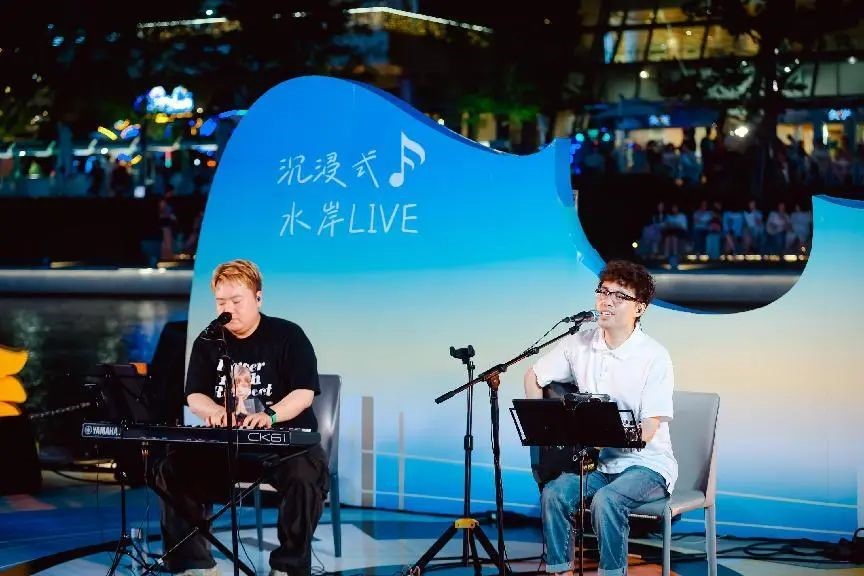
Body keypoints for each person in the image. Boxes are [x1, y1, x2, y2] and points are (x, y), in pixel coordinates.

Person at [155, 259, 329, 576]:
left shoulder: (288, 335)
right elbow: (195, 395)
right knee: (173, 467)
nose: (228, 309)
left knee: (305, 474)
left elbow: (303, 393)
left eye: (237, 301)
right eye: (221, 302)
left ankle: (289, 567)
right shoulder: (208, 339)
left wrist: (269, 416)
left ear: (258, 298)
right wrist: (215, 412)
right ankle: (194, 565)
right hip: (228, 445)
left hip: (282, 446)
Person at [524, 260, 677, 576]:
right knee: (554, 493)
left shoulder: (654, 356)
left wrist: (607, 436)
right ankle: (560, 571)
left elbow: (649, 429)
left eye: (619, 296)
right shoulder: (579, 343)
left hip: (646, 465)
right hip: (598, 464)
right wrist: (546, 434)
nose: (607, 301)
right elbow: (533, 376)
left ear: (640, 308)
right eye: (603, 292)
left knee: (607, 501)